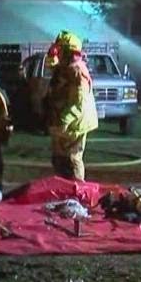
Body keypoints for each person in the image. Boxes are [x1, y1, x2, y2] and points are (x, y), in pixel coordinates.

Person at [46, 30, 98, 181]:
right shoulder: (66, 67)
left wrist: (64, 121)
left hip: (75, 123)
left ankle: (77, 193)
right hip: (67, 122)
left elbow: (78, 103)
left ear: (68, 51)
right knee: (58, 158)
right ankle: (64, 190)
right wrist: (51, 56)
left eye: (59, 49)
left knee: (72, 159)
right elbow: (55, 69)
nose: (57, 52)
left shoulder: (77, 71)